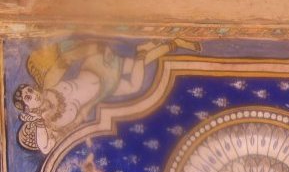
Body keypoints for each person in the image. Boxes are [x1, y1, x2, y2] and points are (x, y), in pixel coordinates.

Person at [14, 38, 200, 154]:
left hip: (95, 68)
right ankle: (169, 45)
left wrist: (97, 47)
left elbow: (67, 59)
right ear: (27, 109)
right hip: (103, 91)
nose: (32, 94)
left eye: (29, 90)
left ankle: (160, 46)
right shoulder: (55, 124)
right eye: (28, 98)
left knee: (135, 73)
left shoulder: (49, 84)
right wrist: (39, 121)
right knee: (135, 80)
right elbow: (46, 147)